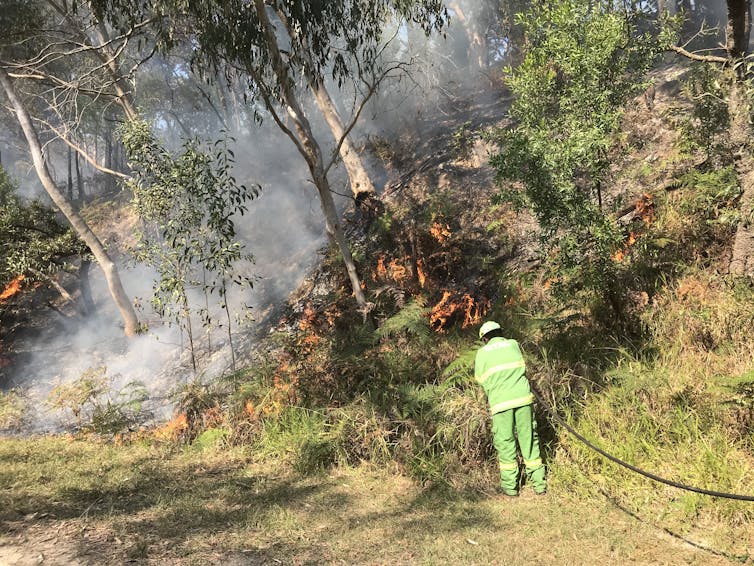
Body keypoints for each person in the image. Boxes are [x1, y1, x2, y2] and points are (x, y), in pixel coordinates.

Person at [474, 321, 547, 496]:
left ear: (485, 338)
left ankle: (511, 487)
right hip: (523, 399)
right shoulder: (513, 344)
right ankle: (539, 485)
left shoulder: (482, 353)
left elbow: (480, 378)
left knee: (505, 442)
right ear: (501, 332)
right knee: (529, 439)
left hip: (500, 403)